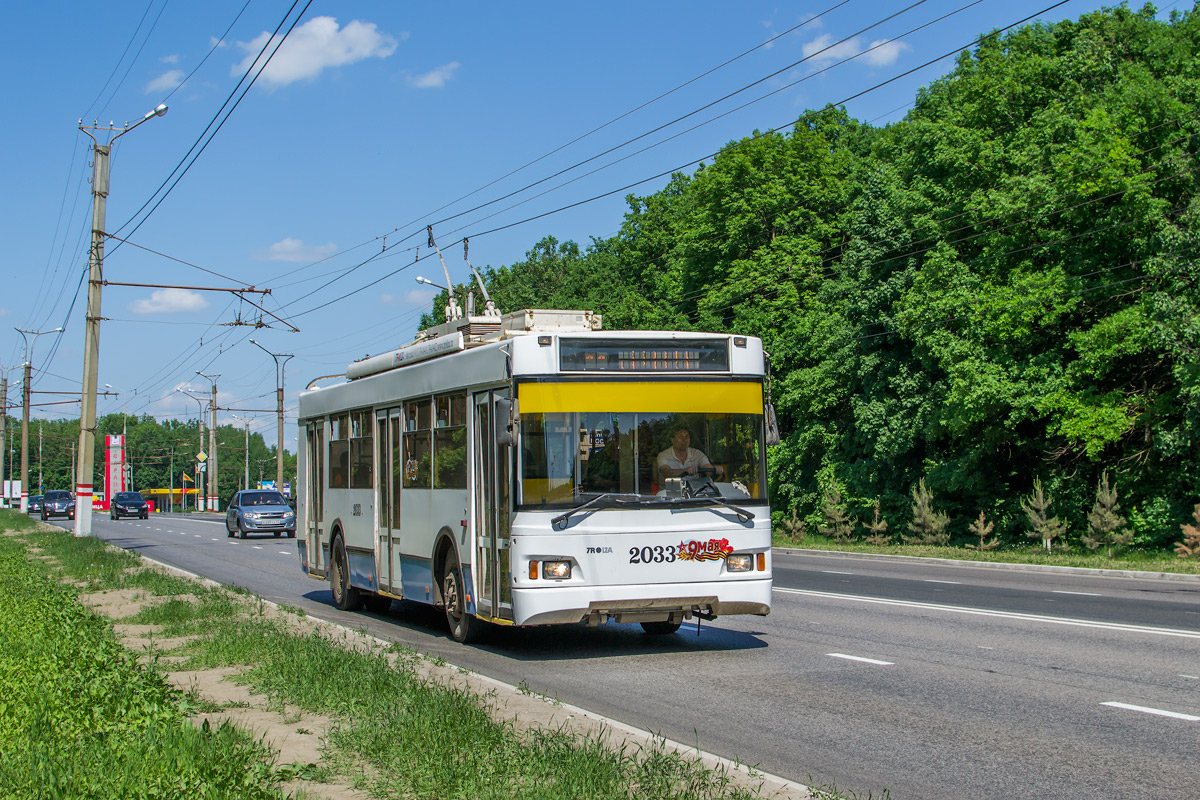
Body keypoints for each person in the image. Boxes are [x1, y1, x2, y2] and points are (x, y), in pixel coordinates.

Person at [656, 426, 723, 480]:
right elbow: (666, 472)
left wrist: (715, 470)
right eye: (680, 437)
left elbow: (707, 468)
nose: (684, 440)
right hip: (669, 492)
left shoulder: (697, 454)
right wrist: (685, 471)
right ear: (672, 440)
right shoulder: (663, 455)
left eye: (687, 437)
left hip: (695, 491)